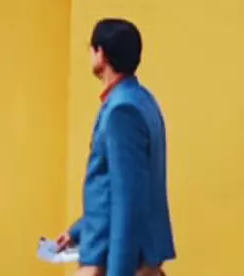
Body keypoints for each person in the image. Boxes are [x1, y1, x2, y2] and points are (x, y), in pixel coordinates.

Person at [52, 18, 176, 276]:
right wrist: (77, 231)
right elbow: (114, 189)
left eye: (92, 48)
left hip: (114, 260)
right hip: (118, 254)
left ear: (101, 54)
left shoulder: (122, 110)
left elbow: (127, 200)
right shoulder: (140, 100)